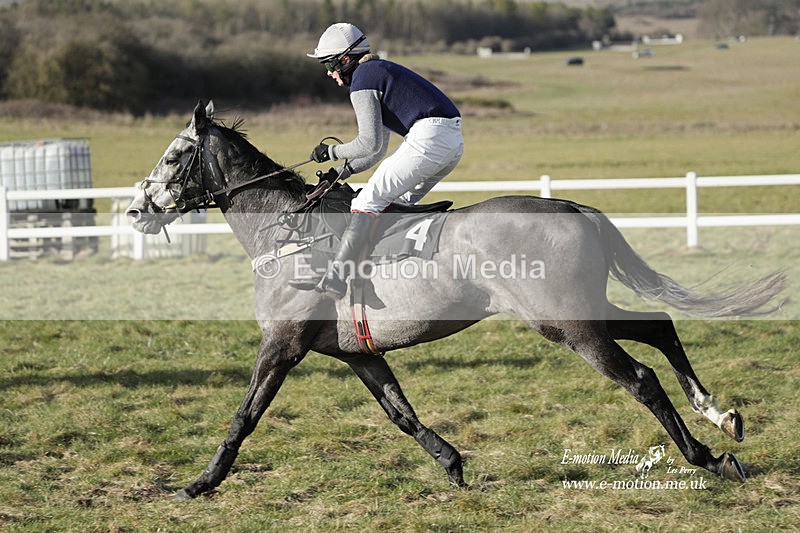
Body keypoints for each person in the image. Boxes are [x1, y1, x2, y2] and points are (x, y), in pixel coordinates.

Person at [294, 22, 464, 299]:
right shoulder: (377, 72)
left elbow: (367, 143)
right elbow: (376, 152)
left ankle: (337, 277)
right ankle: (390, 277)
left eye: (330, 64)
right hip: (450, 142)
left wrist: (330, 153)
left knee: (365, 203)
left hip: (429, 139)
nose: (329, 73)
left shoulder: (363, 78)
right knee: (395, 205)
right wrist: (339, 173)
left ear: (345, 59)